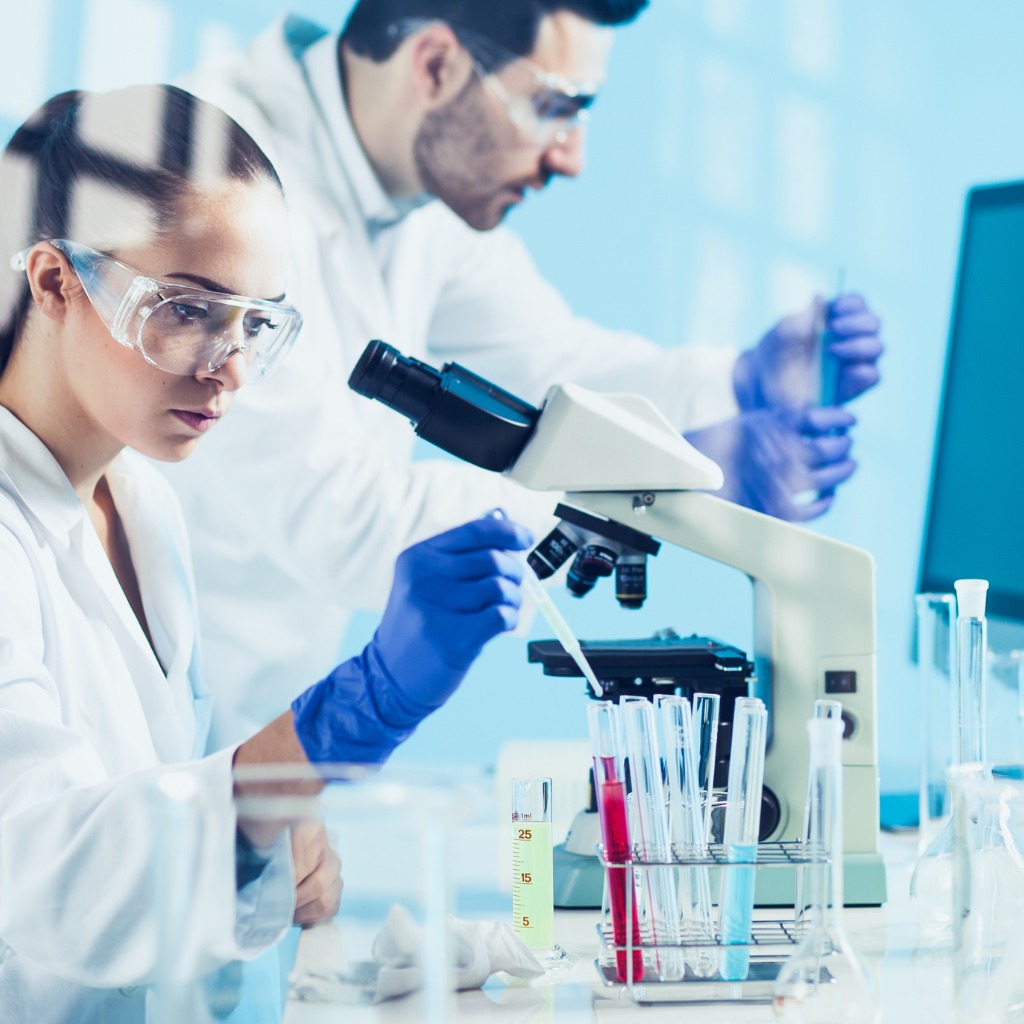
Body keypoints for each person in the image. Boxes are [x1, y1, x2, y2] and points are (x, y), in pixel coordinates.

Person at [164, 0, 884, 748]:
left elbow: (557, 367)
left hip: (266, 738)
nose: (571, 156)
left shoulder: (413, 178)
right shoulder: (217, 180)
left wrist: (741, 381)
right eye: (553, 108)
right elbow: (345, 519)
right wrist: (667, 492)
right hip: (162, 744)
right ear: (436, 65)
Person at [0, 83, 532, 1024]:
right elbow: (51, 875)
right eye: (189, 310)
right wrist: (337, 724)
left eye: (254, 322)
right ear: (52, 281)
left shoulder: (146, 506)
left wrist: (275, 844)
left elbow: (173, 814)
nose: (231, 368)